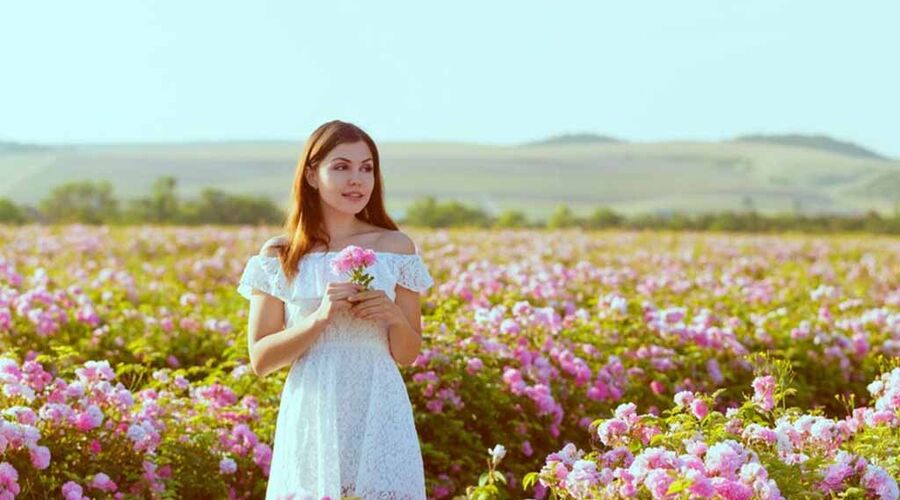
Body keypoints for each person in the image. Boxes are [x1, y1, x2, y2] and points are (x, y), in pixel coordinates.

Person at [236, 120, 434, 499]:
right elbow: (261, 359)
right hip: (312, 410)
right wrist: (321, 318)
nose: (356, 180)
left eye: (366, 168)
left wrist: (392, 315)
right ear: (311, 175)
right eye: (341, 167)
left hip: (380, 408)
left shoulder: (396, 248)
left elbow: (408, 355)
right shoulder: (280, 254)